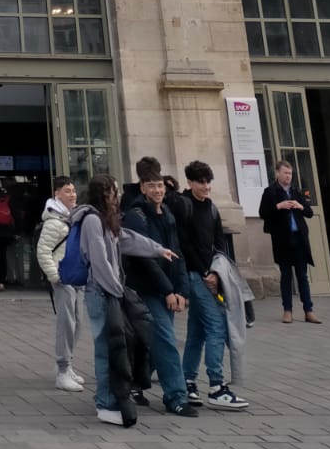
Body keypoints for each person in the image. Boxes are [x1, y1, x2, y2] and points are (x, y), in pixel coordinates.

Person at [75, 173, 177, 428]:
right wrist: (116, 290)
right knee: (105, 348)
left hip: (110, 291)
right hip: (101, 292)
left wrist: (157, 249)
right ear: (104, 193)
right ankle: (105, 402)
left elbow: (127, 239)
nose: (117, 195)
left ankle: (111, 399)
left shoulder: (106, 220)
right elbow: (99, 260)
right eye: (114, 191)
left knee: (116, 346)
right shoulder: (91, 220)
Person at [164, 160, 248, 410]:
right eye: (201, 182)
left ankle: (188, 381)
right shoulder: (183, 205)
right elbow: (184, 244)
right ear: (190, 182)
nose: (206, 186)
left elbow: (220, 241)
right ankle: (216, 385)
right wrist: (204, 272)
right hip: (194, 274)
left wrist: (218, 270)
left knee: (198, 331)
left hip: (210, 272)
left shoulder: (211, 208)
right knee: (216, 326)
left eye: (208, 181)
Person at [122, 167, 198, 417]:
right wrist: (167, 290)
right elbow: (145, 259)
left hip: (169, 288)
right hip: (147, 288)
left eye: (160, 186)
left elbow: (176, 252)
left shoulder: (167, 213)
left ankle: (133, 382)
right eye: (152, 186)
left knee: (154, 341)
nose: (157, 190)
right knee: (165, 340)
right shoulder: (135, 216)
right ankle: (176, 396)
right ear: (142, 188)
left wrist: (182, 290)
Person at [36, 175, 85, 392]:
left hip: (77, 277)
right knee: (67, 324)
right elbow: (43, 251)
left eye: (73, 190)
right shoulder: (54, 222)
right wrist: (54, 276)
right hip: (64, 277)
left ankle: (68, 364)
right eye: (67, 190)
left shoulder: (73, 217)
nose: (72, 194)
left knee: (77, 323)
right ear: (57, 194)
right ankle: (63, 368)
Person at [258, 158, 319, 324]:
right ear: (277, 173)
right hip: (283, 239)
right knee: (286, 275)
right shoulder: (270, 192)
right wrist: (279, 206)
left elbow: (309, 213)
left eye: (290, 173)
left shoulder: (296, 191)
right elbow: (263, 212)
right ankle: (287, 310)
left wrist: (300, 206)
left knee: (302, 275)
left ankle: (309, 310)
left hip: (299, 238)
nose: (288, 176)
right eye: (285, 173)